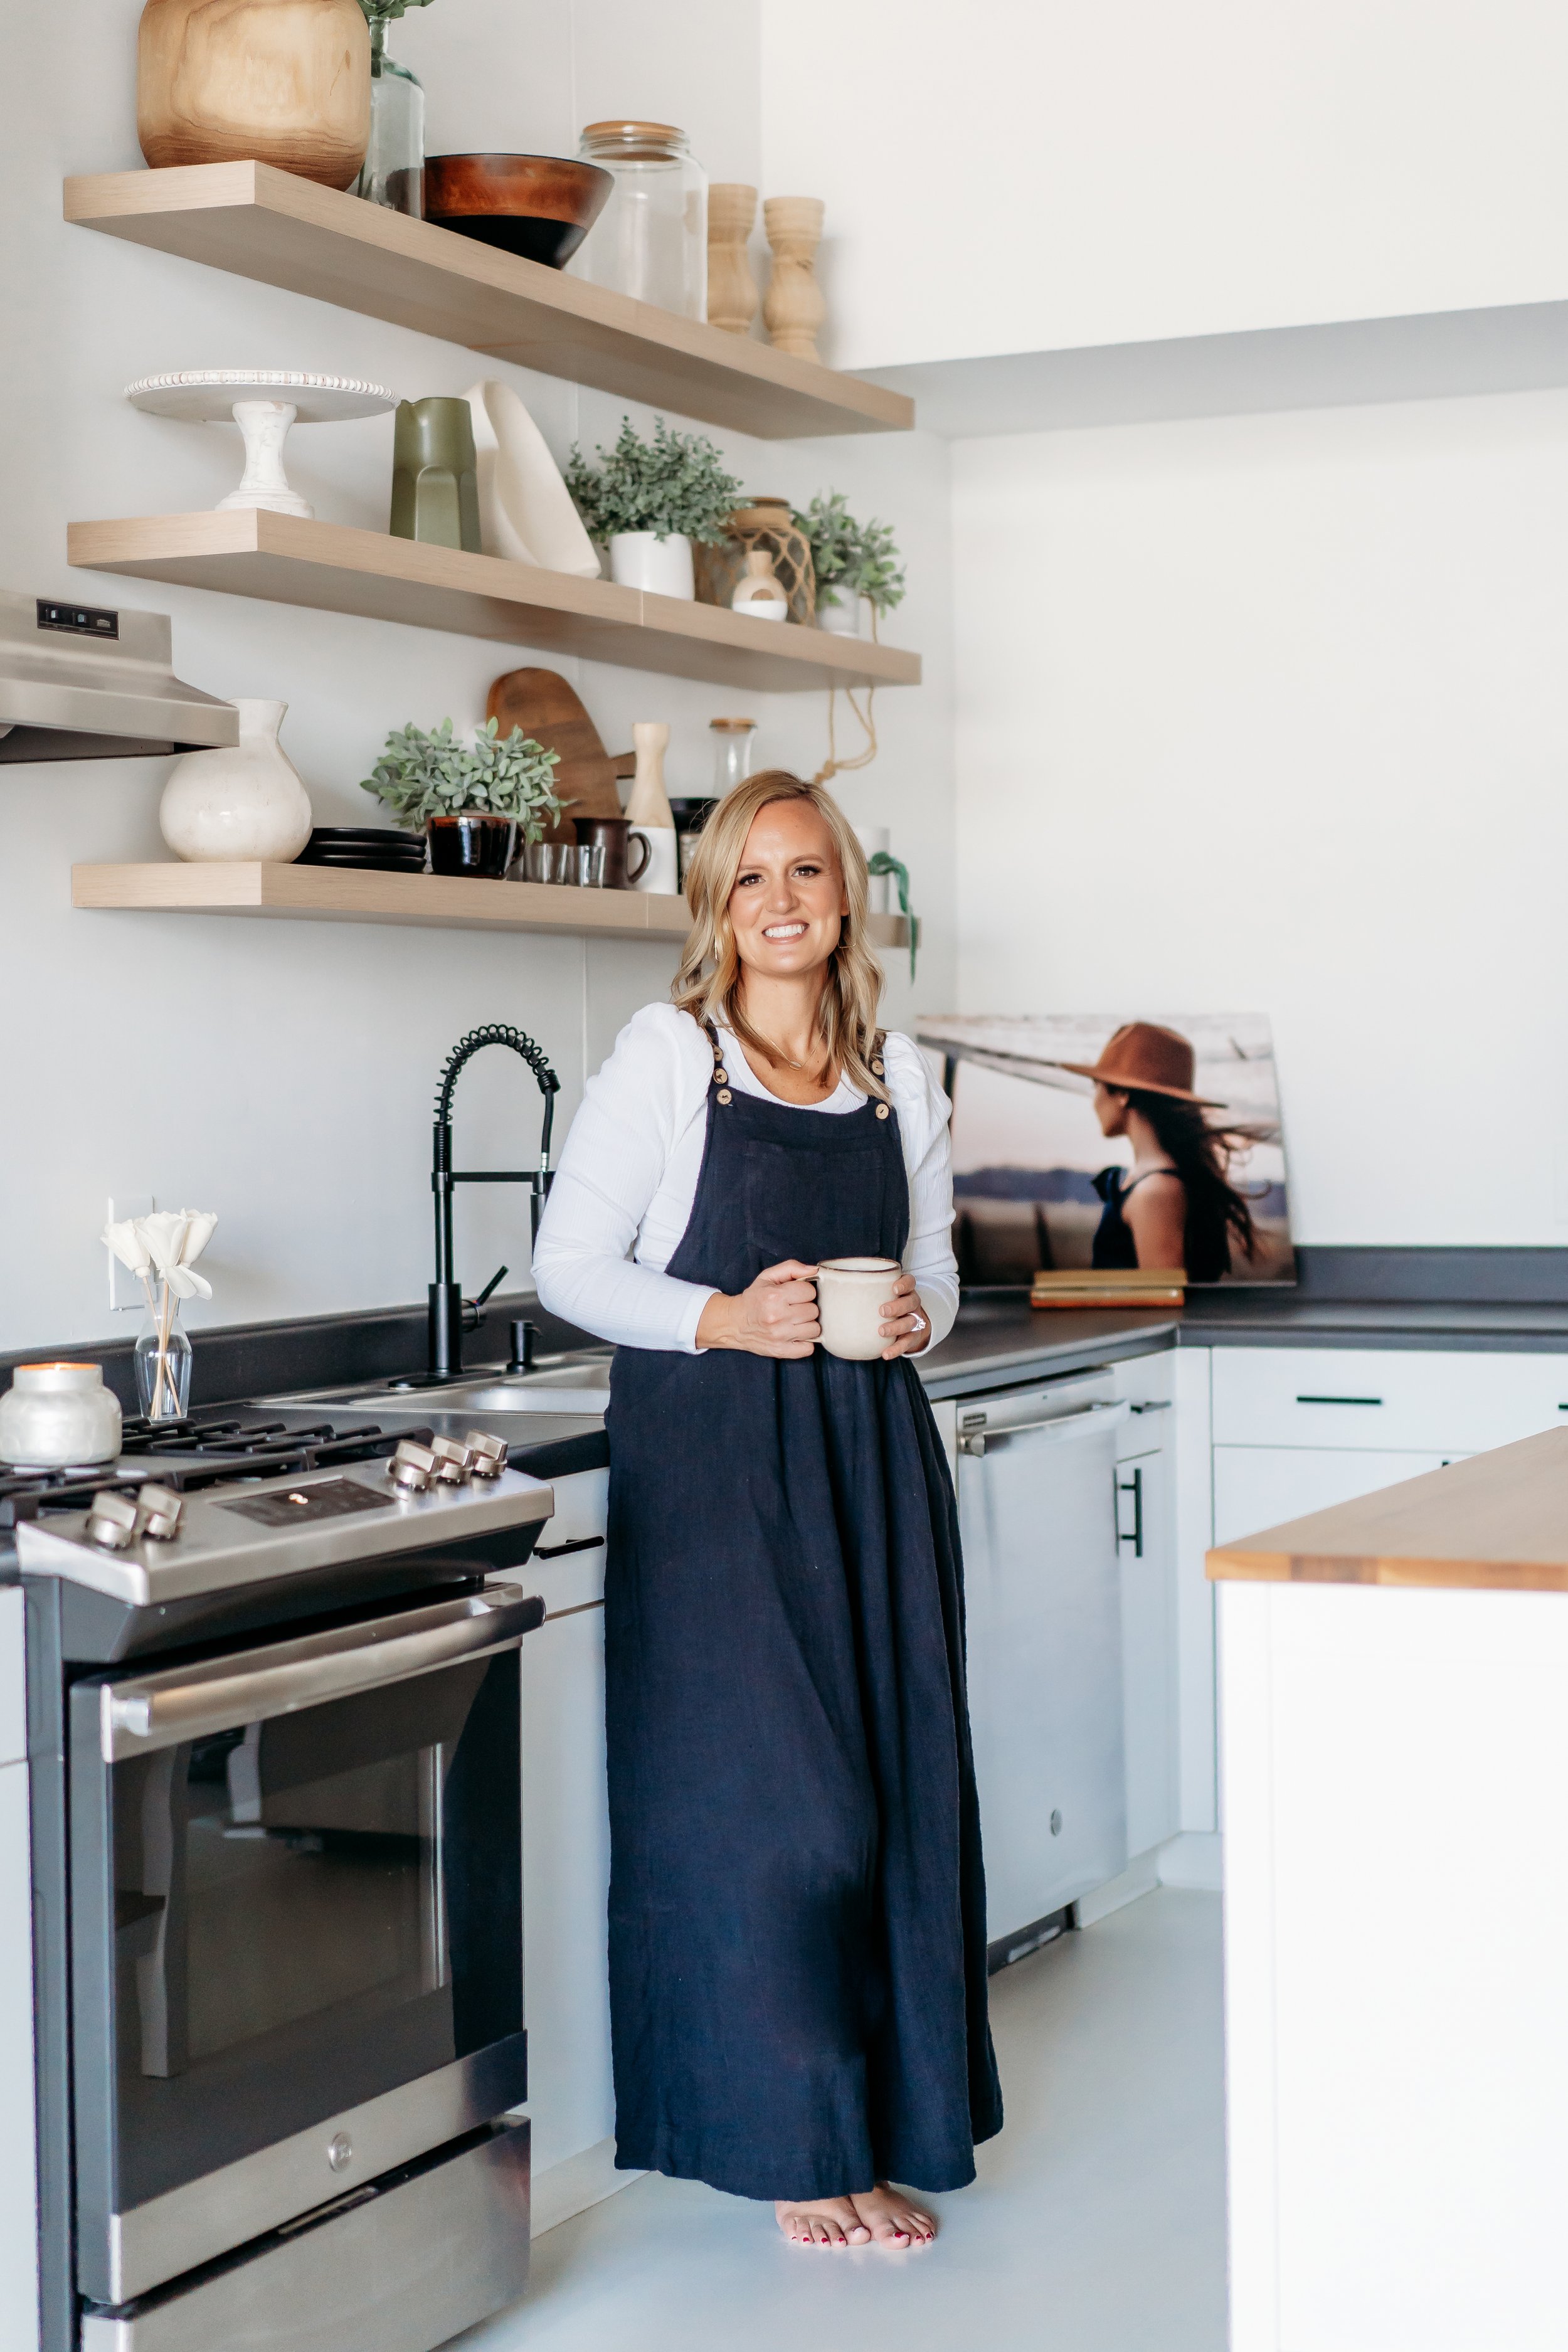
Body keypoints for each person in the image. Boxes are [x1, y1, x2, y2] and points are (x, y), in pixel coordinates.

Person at [532, 770, 1001, 2252]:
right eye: (750, 878)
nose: (782, 902)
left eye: (805, 872)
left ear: (844, 891)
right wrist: (720, 1319)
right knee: (772, 1809)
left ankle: (876, 2127)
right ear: (714, 906)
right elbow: (569, 1265)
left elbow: (937, 1268)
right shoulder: (672, 1055)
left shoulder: (897, 1070)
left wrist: (925, 1313)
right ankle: (791, 2143)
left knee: (888, 1799)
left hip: (868, 1459)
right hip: (720, 1467)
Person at [1056, 1022, 1257, 1285]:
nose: (1094, 1099)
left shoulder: (1156, 1191)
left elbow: (1162, 1310)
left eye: (1097, 1085)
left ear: (1123, 1094)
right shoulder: (1151, 1182)